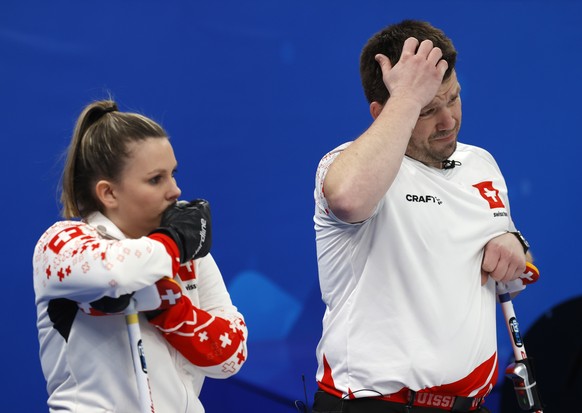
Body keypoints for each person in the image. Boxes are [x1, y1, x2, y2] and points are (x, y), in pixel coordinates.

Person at [312, 20, 535, 413]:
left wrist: (513, 242)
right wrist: (407, 98)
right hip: (374, 403)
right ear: (384, 111)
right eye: (428, 109)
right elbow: (347, 198)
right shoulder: (343, 165)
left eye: (454, 98)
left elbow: (504, 277)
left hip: (470, 405)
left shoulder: (481, 164)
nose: (448, 120)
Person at [33, 100, 248, 412]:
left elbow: (231, 357)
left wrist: (169, 309)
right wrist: (172, 244)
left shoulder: (187, 254)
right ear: (108, 193)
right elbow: (116, 272)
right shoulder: (60, 245)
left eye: (173, 174)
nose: (175, 190)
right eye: (155, 179)